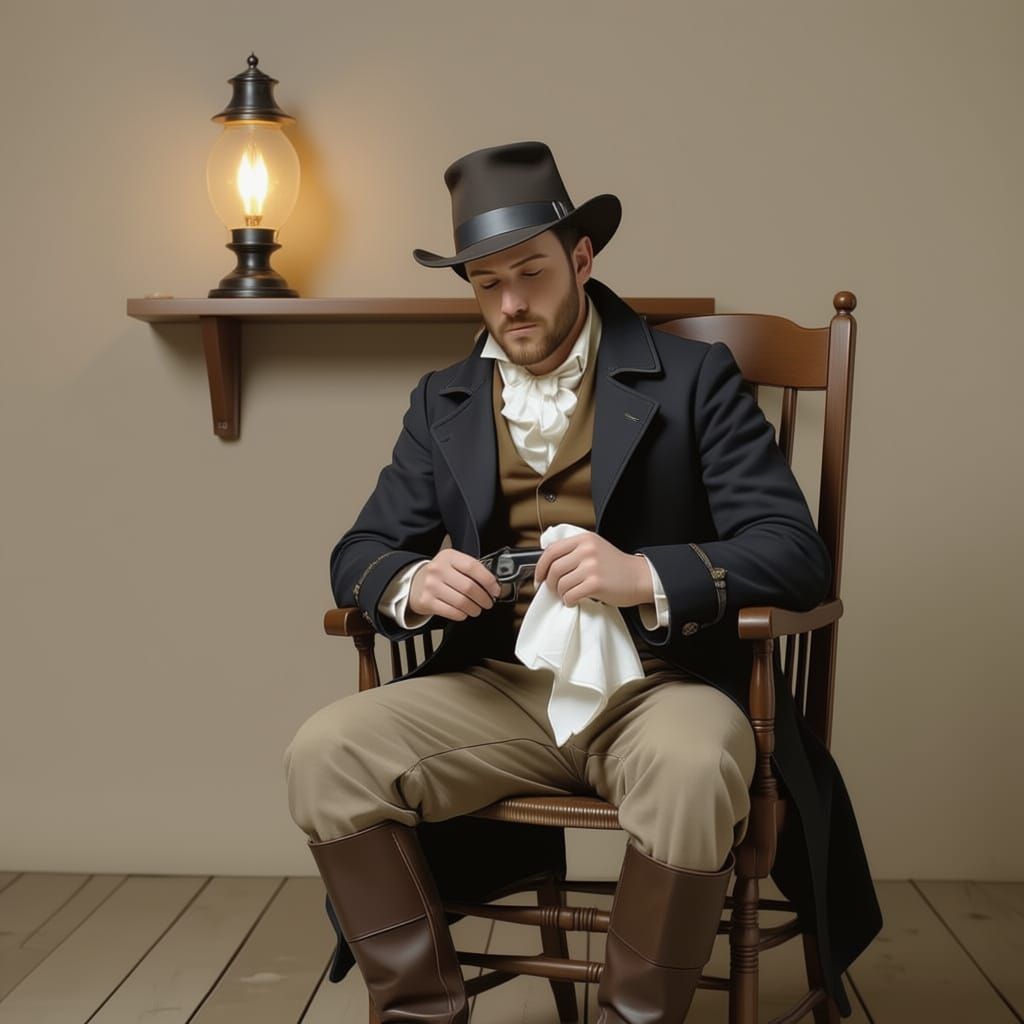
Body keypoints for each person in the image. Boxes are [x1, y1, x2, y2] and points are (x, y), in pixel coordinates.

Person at [283, 140, 881, 1024]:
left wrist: (647, 573)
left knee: (692, 770)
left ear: (582, 257)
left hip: (662, 685)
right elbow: (361, 549)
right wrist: (412, 582)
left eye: (530, 272)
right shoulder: (443, 399)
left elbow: (795, 552)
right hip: (498, 690)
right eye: (487, 285)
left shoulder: (693, 381)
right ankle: (422, 1014)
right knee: (323, 753)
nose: (512, 304)